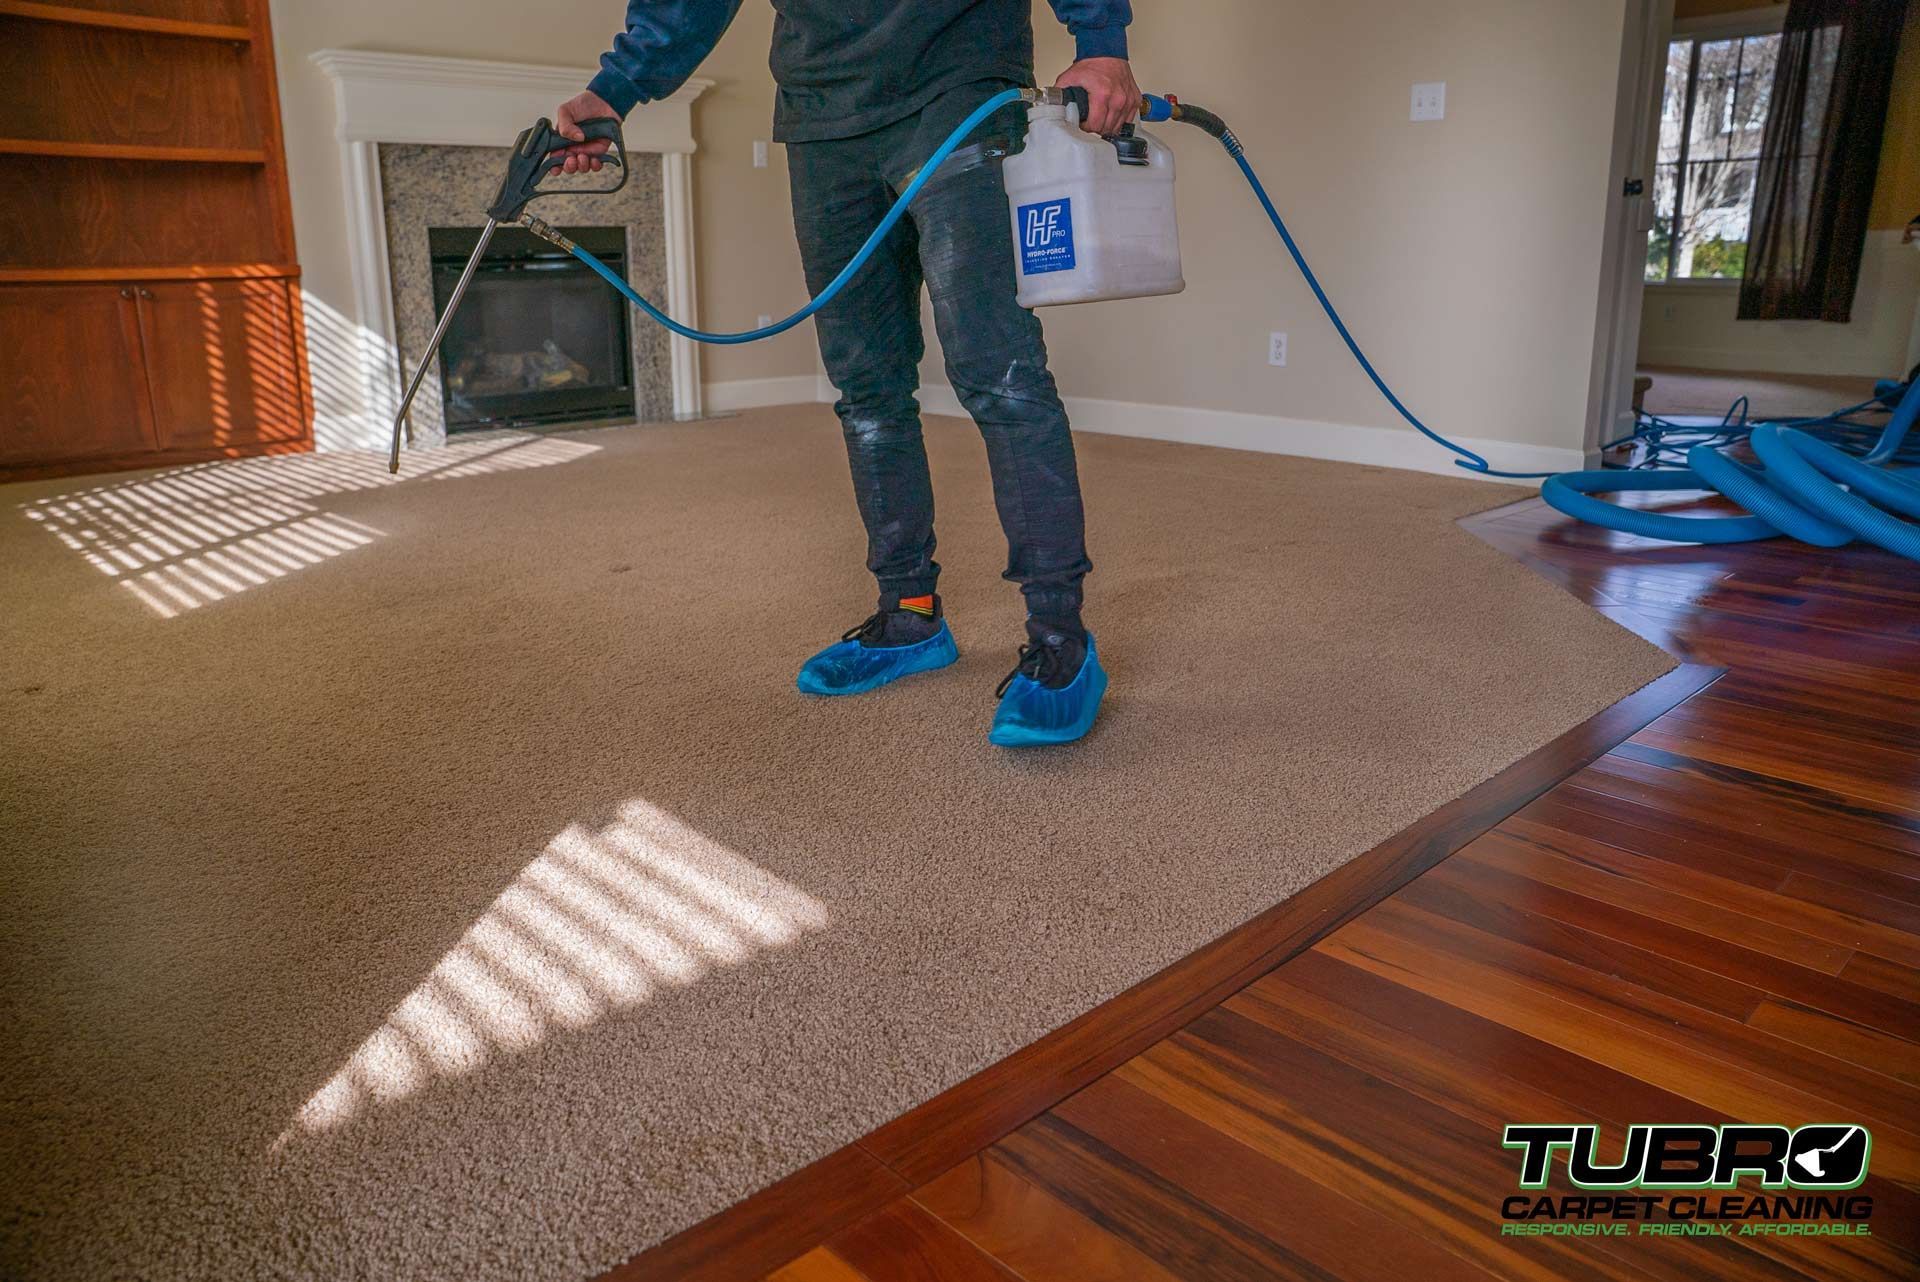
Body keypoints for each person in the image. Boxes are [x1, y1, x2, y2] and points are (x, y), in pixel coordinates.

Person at [555, 1, 1137, 747]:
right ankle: (910, 614)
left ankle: (1061, 639)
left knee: (1000, 373)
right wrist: (616, 88)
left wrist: (1101, 40)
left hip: (954, 87)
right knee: (866, 389)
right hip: (821, 117)